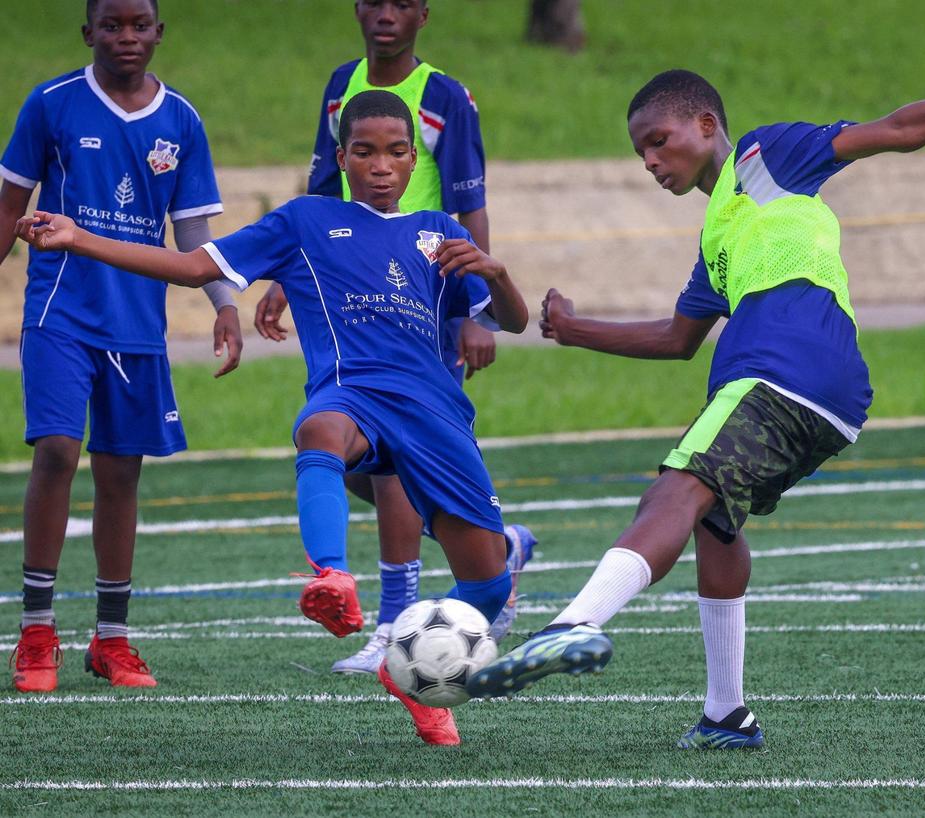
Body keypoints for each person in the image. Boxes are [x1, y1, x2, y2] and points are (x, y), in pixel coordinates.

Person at [466, 58, 925, 748]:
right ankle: (726, 715)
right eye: (639, 151)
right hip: (816, 390)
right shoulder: (717, 233)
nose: (650, 161)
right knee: (716, 525)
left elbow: (900, 129)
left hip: (787, 367)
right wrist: (573, 329)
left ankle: (573, 624)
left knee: (674, 494)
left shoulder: (764, 156)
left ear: (707, 125)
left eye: (659, 139)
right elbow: (680, 338)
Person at [16, 90, 530, 746]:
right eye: (365, 152)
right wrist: (80, 238)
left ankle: (416, 679)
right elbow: (192, 266)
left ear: (411, 160)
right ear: (342, 158)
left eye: (396, 152)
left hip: (437, 414)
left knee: (486, 588)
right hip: (353, 393)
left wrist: (498, 273)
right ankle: (332, 575)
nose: (380, 165)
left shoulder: (441, 232)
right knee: (318, 428)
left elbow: (510, 320)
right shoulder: (305, 221)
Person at [254, 0, 535, 676]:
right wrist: (285, 276)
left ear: (423, 15)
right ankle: (492, 545)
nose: (385, 15)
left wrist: (473, 310)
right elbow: (323, 185)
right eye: (373, 3)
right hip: (350, 280)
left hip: (424, 292)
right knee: (367, 464)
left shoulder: (444, 96)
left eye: (400, 3)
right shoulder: (340, 85)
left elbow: (471, 200)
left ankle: (391, 624)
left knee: (391, 466)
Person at [0, 0, 242, 693]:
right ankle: (38, 629)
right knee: (55, 449)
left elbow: (194, 232)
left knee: (120, 474)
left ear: (159, 33)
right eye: (113, 25)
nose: (127, 37)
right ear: (89, 33)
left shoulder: (182, 121)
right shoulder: (51, 104)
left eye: (140, 25)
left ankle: (111, 639)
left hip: (138, 324)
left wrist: (224, 306)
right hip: (60, 310)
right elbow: (8, 203)